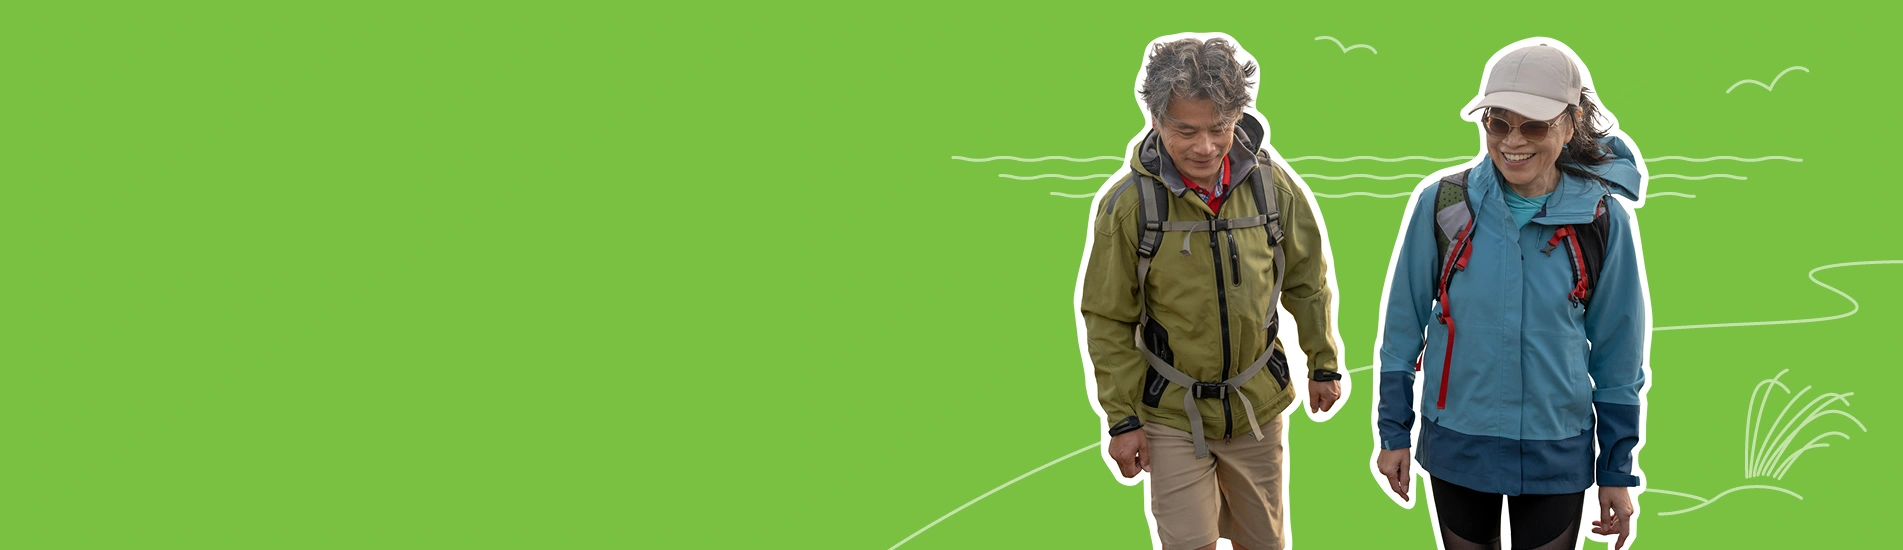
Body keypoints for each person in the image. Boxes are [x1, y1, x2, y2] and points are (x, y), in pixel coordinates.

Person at [1370, 40, 1649, 550]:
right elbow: (1401, 328)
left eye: (1534, 125)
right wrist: (1393, 433)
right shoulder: (1444, 203)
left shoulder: (1603, 220)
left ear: (1572, 121)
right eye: (1498, 122)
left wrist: (1616, 468)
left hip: (1556, 448)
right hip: (1458, 442)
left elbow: (1619, 355)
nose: (1512, 141)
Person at [1079, 34, 1345, 550]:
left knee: (1265, 544)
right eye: (1185, 129)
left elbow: (1307, 280)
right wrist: (1122, 420)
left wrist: (1323, 361)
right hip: (1172, 415)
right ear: (1156, 120)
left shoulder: (1274, 188)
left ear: (1237, 119)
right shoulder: (1129, 207)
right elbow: (1108, 318)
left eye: (1219, 128)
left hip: (1257, 407)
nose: (1204, 146)